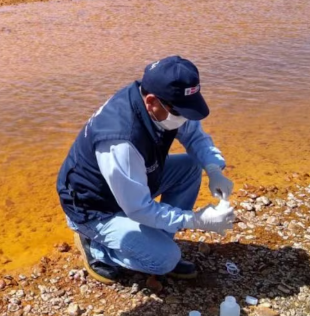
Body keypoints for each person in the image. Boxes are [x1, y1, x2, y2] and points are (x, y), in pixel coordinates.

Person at [56, 56, 235, 283]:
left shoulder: (161, 105)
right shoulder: (121, 141)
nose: (185, 119)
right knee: (164, 260)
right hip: (94, 208)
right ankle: (97, 248)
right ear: (151, 101)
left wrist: (213, 168)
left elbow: (194, 136)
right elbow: (139, 209)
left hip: (129, 184)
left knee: (191, 166)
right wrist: (197, 220)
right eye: (180, 113)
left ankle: (155, 241)